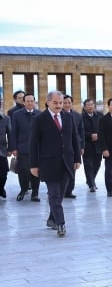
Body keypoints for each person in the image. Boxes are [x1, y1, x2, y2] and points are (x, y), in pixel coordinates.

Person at [29, 91, 81, 236]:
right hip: (48, 163)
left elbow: (74, 139)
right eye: (55, 103)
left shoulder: (69, 117)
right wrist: (33, 165)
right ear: (48, 102)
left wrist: (77, 159)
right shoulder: (39, 119)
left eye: (61, 103)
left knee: (60, 195)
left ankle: (52, 219)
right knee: (54, 195)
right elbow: (33, 143)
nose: (59, 106)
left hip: (67, 162)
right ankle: (61, 224)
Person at [9, 93, 41, 202]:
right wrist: (13, 148)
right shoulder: (17, 114)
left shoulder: (39, 114)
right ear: (24, 102)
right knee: (23, 171)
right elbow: (13, 132)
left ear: (34, 102)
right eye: (27, 101)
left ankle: (35, 194)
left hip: (37, 149)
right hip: (22, 148)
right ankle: (23, 190)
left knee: (36, 171)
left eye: (32, 101)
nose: (30, 103)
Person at [62, 94, 84, 198]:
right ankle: (58, 189)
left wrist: (81, 146)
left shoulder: (77, 115)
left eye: (69, 103)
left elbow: (81, 132)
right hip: (61, 147)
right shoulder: (57, 115)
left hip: (74, 147)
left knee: (72, 169)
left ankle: (69, 190)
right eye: (65, 103)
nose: (67, 105)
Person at [81, 98, 103, 192]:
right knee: (88, 165)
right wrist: (90, 135)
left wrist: (99, 136)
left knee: (97, 164)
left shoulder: (100, 116)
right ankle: (91, 184)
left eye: (92, 104)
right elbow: (80, 131)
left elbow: (104, 128)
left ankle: (91, 179)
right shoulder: (81, 117)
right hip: (87, 145)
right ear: (85, 107)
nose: (90, 106)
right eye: (88, 105)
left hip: (98, 144)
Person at [0, 110, 10, 199]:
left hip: (2, 150)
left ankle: (1, 188)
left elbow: (10, 134)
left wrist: (11, 148)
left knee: (4, 171)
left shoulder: (6, 119)